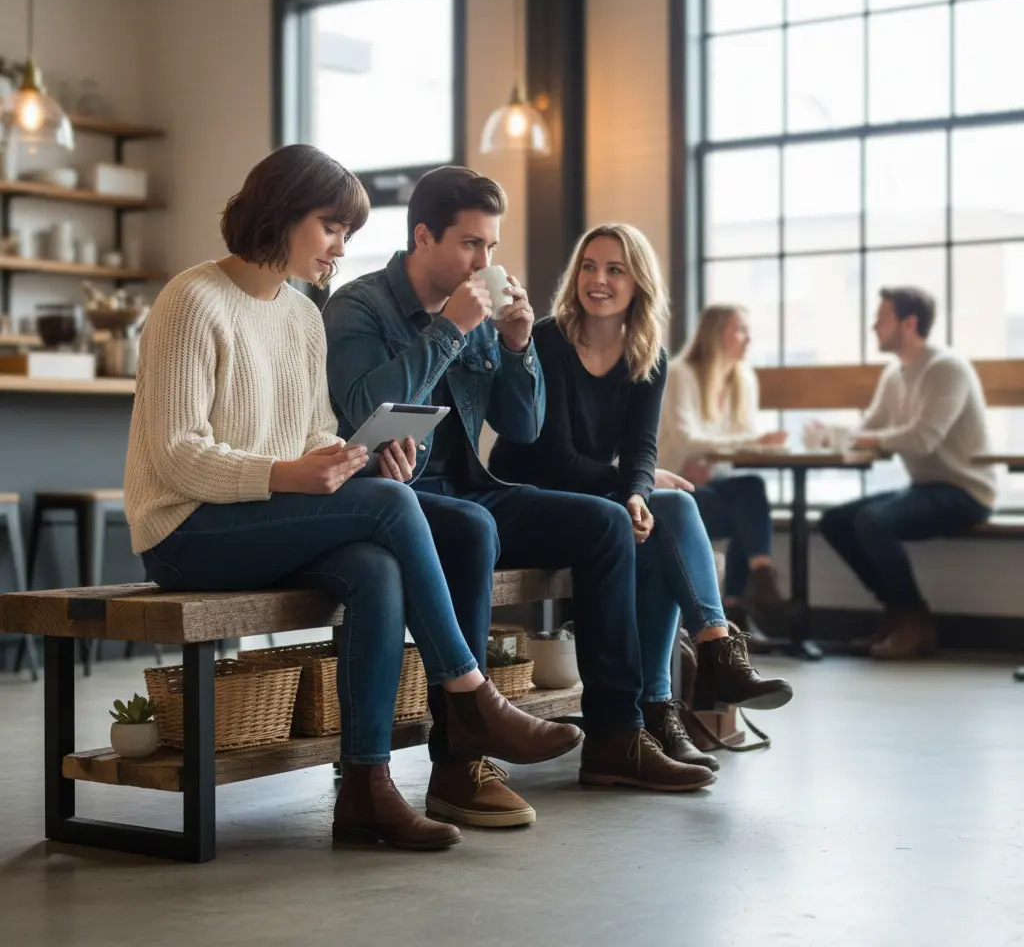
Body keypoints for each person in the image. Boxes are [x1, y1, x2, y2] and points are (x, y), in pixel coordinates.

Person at [123, 145, 581, 854]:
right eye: (331, 227)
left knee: (376, 564)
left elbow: (313, 430)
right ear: (282, 215)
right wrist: (290, 474)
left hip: (256, 517)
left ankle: (366, 792)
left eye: (346, 232)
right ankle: (470, 697)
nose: (342, 247)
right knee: (394, 512)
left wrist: (357, 454)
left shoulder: (303, 315)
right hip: (185, 530)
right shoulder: (193, 300)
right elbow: (178, 456)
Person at [323, 166, 721, 819]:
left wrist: (515, 347)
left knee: (606, 524)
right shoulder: (359, 306)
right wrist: (449, 328)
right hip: (392, 495)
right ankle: (458, 766)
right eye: (471, 244)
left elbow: (523, 424)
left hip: (471, 486)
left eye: (491, 247)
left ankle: (616, 736)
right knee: (472, 531)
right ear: (423, 236)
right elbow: (365, 402)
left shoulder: (478, 309)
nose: (485, 261)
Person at [490, 223, 793, 770]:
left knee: (667, 511)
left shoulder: (647, 352)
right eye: (589, 266)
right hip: (533, 501)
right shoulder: (548, 339)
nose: (597, 280)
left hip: (598, 504)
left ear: (638, 284)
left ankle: (672, 696)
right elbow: (555, 457)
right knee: (663, 508)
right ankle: (689, 681)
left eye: (614, 269)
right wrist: (629, 488)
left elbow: (642, 449)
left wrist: (637, 491)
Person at [812, 287, 996, 660]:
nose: (873, 326)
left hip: (967, 490)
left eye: (882, 318)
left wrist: (861, 436)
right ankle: (898, 613)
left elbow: (923, 439)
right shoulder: (895, 374)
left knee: (873, 522)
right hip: (925, 486)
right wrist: (831, 435)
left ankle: (914, 621)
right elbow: (871, 430)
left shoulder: (946, 368)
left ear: (909, 323)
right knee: (834, 521)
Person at [656, 305, 794, 637]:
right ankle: (750, 594)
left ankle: (748, 591)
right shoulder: (681, 374)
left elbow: (732, 449)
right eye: (740, 329)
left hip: (715, 482)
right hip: (674, 486)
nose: (749, 338)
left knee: (750, 487)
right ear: (717, 334)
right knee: (747, 512)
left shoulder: (743, 378)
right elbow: (687, 439)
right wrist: (755, 441)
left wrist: (719, 454)